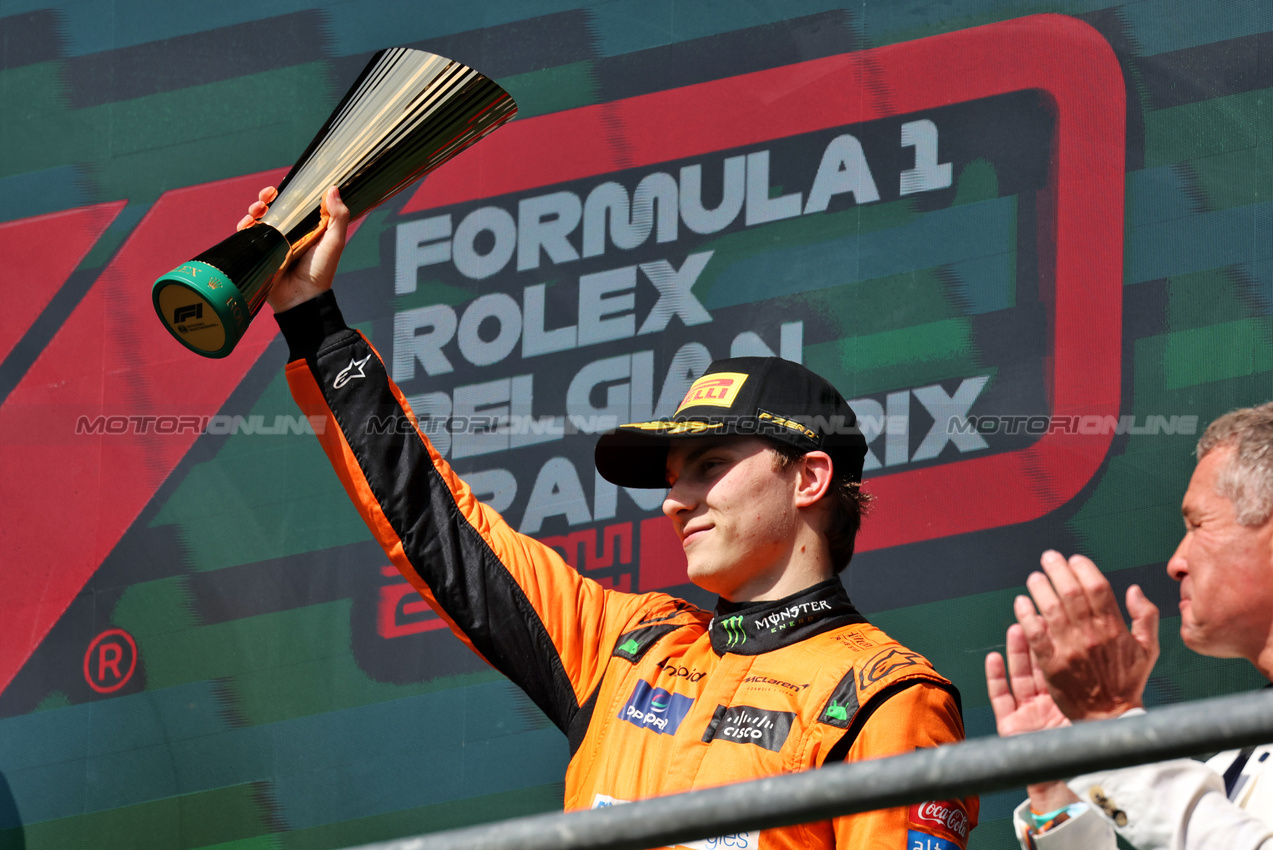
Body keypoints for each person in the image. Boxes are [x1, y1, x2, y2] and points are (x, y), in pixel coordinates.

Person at [243, 185, 978, 849]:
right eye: (670, 479)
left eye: (709, 467)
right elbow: (437, 525)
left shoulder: (886, 694)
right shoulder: (625, 647)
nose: (674, 500)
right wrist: (312, 320)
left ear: (809, 477)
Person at [985, 402, 1273, 848]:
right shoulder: (1230, 772)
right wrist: (1061, 787)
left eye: (1198, 525)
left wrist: (1111, 724)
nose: (1177, 562)